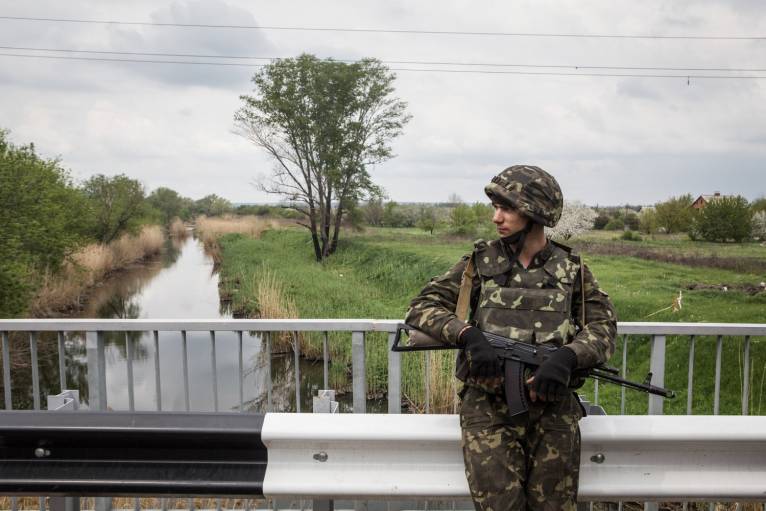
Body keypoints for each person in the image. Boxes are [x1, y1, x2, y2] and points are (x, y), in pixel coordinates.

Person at [404, 165, 617, 511]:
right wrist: (468, 336)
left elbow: (603, 327)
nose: (496, 218)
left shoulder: (571, 271)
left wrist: (569, 357)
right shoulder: (478, 263)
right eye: (495, 207)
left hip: (553, 414)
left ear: (535, 213)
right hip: (489, 412)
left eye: (506, 208)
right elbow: (421, 306)